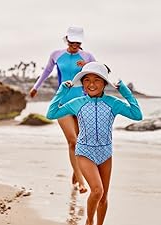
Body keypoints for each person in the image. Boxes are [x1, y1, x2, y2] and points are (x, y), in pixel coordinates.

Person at [46, 61, 143, 225]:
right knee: (97, 191)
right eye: (87, 80)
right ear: (82, 83)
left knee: (104, 196)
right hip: (84, 152)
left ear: (104, 83)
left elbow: (137, 114)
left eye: (97, 80)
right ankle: (89, 221)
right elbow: (51, 113)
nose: (91, 84)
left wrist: (126, 92)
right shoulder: (77, 103)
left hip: (106, 153)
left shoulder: (113, 103)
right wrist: (62, 92)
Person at [29, 26, 96, 193]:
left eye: (77, 42)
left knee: (82, 142)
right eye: (72, 42)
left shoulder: (87, 56)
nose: (74, 45)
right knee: (73, 142)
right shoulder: (56, 54)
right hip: (62, 102)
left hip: (82, 103)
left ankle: (76, 171)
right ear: (67, 39)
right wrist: (36, 87)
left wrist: (88, 66)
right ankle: (81, 182)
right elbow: (46, 72)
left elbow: (98, 76)